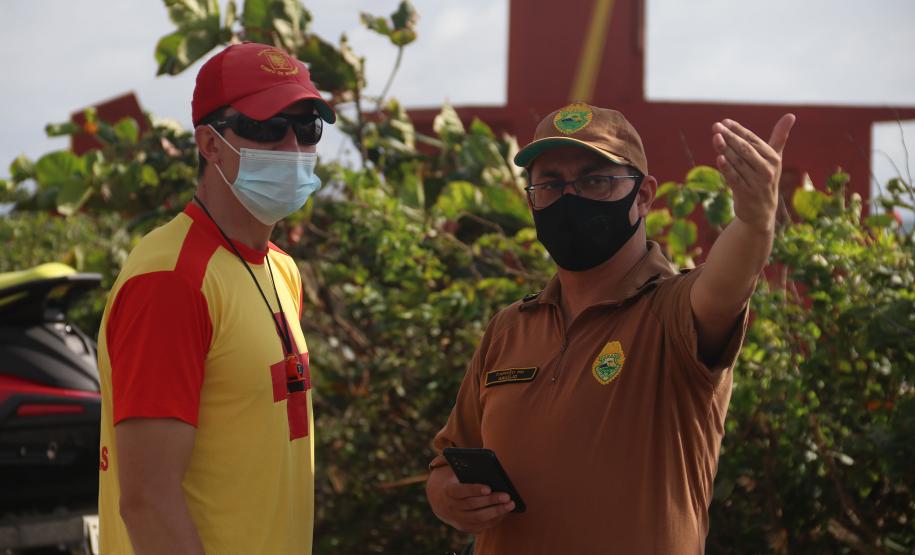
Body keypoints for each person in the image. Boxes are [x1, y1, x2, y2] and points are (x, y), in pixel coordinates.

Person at [426, 102, 794, 554]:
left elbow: (728, 282)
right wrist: (449, 498)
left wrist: (755, 221)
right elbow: (447, 463)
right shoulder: (509, 329)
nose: (569, 197)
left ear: (643, 196)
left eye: (595, 180)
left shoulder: (674, 312)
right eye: (551, 184)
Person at [96, 42, 335, 554]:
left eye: (308, 127)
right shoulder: (170, 280)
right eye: (269, 127)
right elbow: (147, 501)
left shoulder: (280, 269)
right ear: (209, 143)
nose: (293, 147)